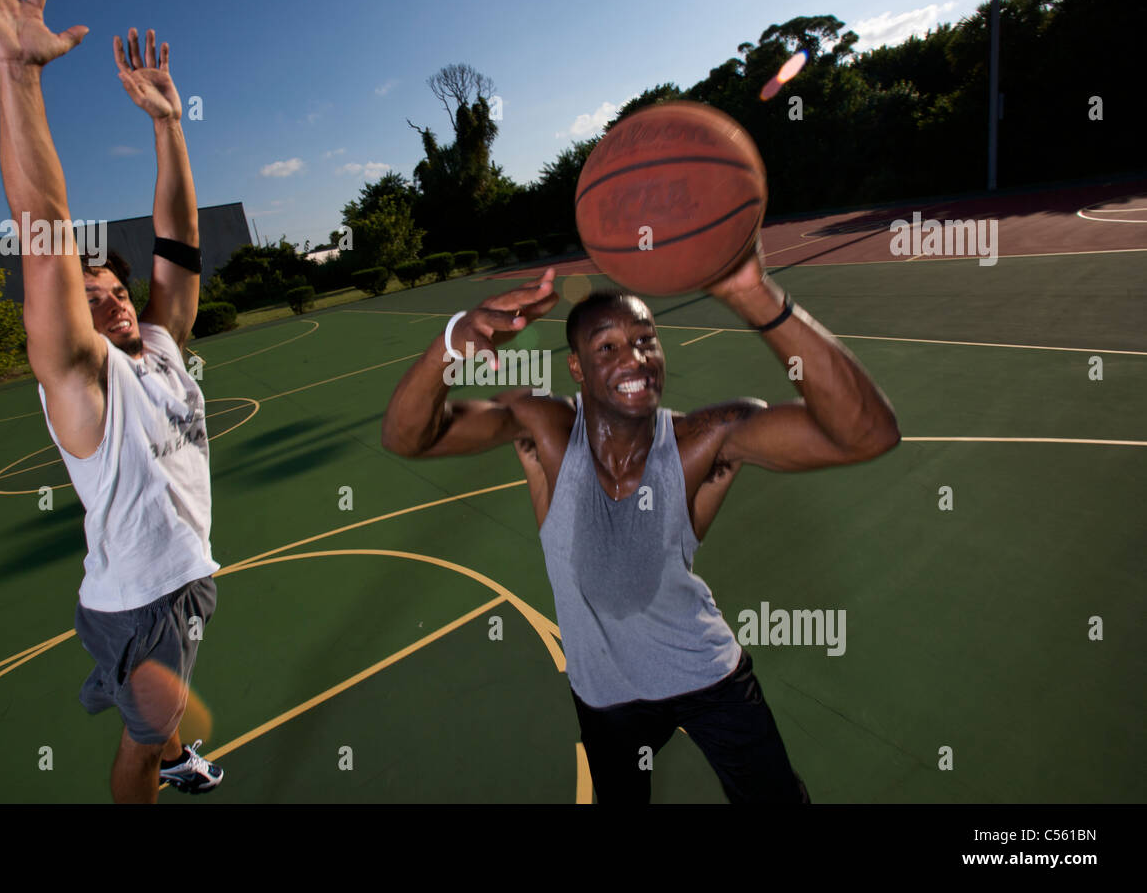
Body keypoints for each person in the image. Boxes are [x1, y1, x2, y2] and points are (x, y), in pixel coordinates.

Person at [382, 244, 900, 804]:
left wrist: (756, 295)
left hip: (706, 674)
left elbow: (867, 434)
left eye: (646, 340)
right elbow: (409, 438)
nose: (635, 358)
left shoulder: (705, 438)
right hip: (606, 694)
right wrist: (449, 345)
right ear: (576, 368)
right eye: (608, 347)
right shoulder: (545, 429)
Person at [0, 0, 222, 802]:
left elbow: (180, 244)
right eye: (88, 296)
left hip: (158, 588)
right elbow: (43, 226)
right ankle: (158, 760)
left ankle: (163, 738)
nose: (110, 303)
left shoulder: (161, 347)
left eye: (115, 290)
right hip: (145, 601)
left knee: (159, 710)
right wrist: (19, 74)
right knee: (137, 751)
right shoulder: (82, 379)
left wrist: (169, 125)